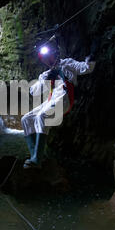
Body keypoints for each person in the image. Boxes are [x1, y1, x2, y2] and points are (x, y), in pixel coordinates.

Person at [21, 40, 95, 169]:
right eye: (43, 59)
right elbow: (34, 91)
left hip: (64, 98)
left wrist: (91, 58)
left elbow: (85, 68)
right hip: (51, 100)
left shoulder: (67, 63)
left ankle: (36, 160)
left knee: (41, 117)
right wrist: (46, 79)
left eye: (47, 56)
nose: (46, 60)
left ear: (54, 54)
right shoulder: (44, 74)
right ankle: (36, 156)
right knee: (26, 119)